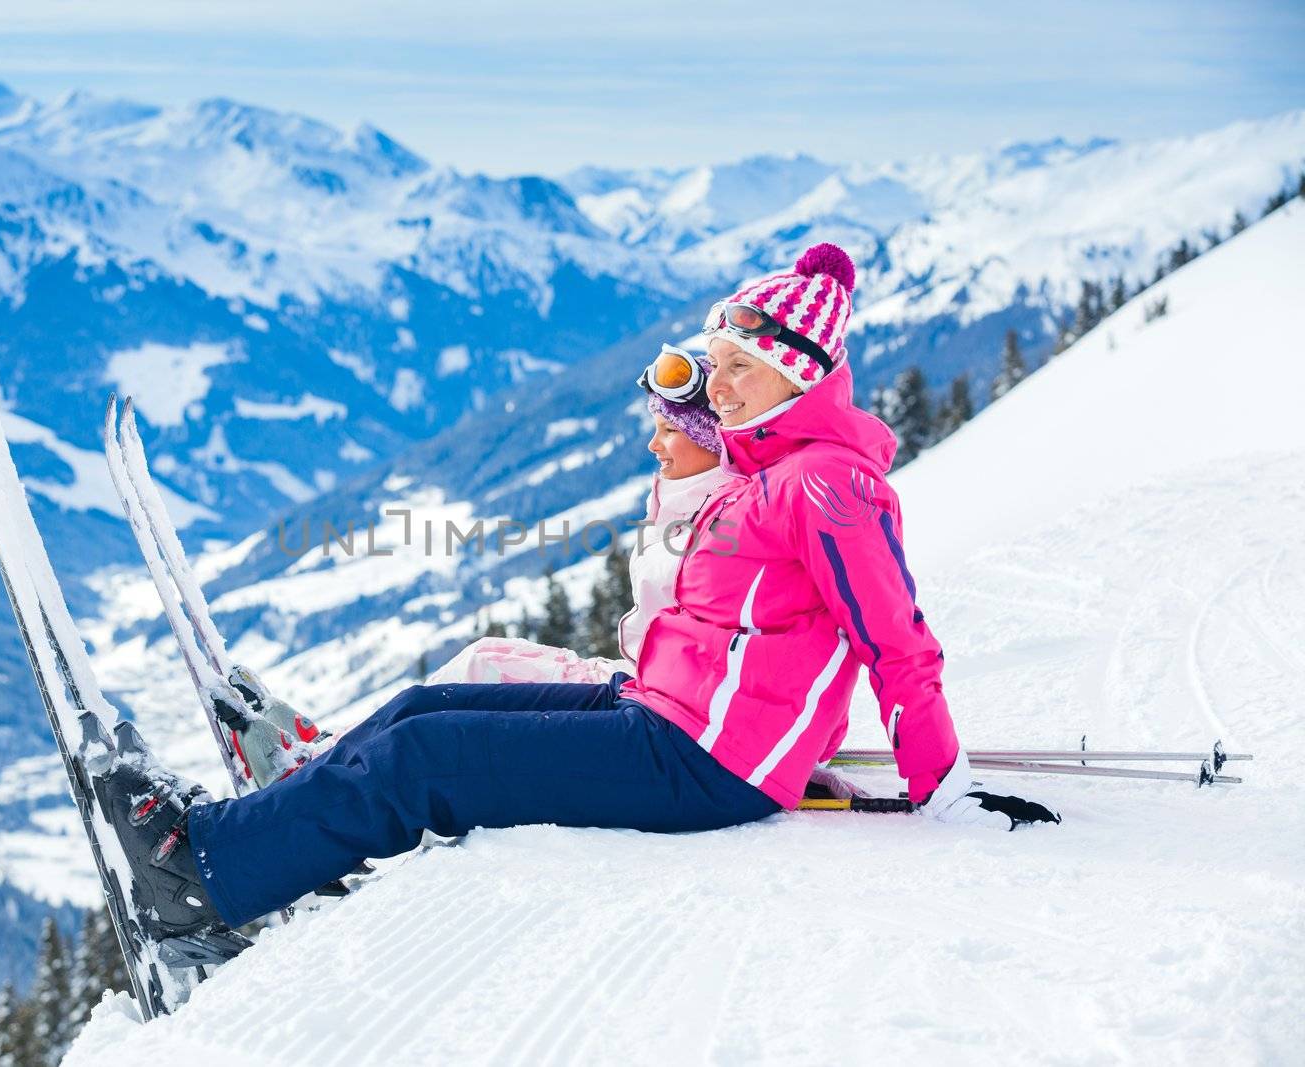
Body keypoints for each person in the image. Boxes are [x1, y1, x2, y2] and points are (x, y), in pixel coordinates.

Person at [95, 242, 1060, 959]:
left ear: (799, 374)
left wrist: (946, 787)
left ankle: (204, 876)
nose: (717, 389)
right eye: (714, 363)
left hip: (701, 763)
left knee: (427, 760)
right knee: (423, 708)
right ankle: (264, 831)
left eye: (740, 369)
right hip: (658, 715)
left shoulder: (824, 484)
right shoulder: (765, 471)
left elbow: (897, 643)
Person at [427, 344, 727, 685]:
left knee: (477, 678)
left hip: (657, 697)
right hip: (644, 681)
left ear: (711, 439)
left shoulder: (721, 520)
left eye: (670, 430)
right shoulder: (682, 503)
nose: (652, 444)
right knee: (482, 658)